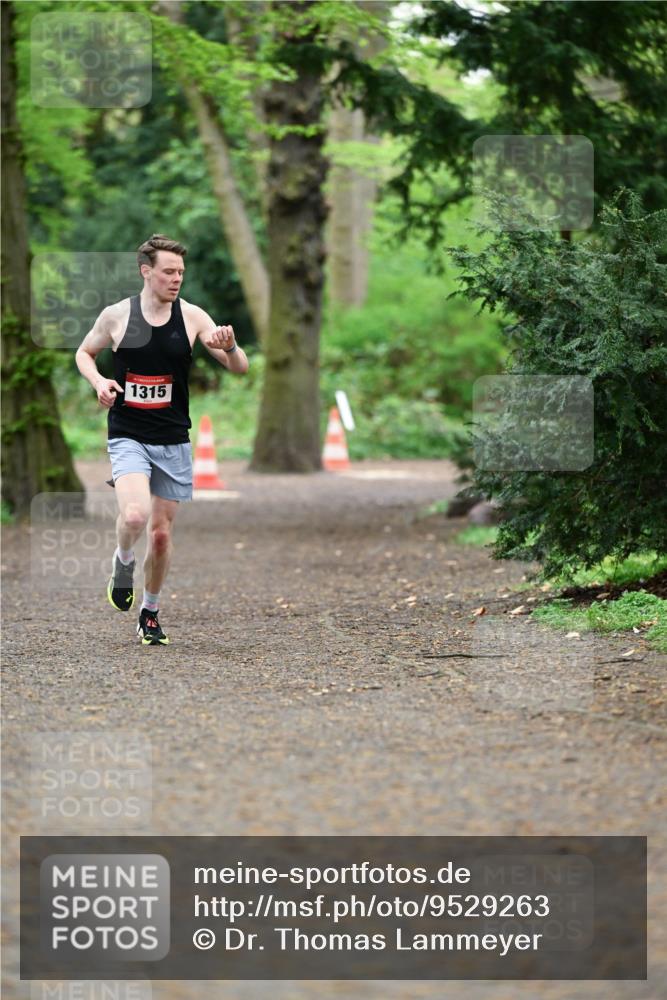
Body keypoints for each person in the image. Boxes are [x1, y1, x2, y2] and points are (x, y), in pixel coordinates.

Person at [75, 234, 249, 645]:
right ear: (146, 271)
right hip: (128, 434)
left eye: (181, 273)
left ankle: (149, 612)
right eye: (169, 272)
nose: (176, 280)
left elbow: (237, 367)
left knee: (161, 534)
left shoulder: (191, 318)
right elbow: (84, 353)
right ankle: (123, 561)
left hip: (173, 438)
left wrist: (233, 346)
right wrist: (100, 381)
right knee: (134, 517)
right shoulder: (117, 316)